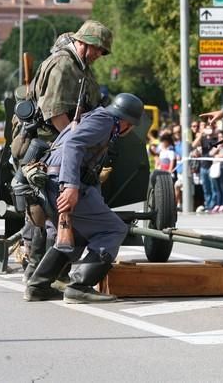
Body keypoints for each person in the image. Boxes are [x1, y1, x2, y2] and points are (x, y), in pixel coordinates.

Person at [24, 93, 144, 303]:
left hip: (51, 183)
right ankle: (80, 286)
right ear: (126, 121)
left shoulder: (94, 118)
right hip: (64, 183)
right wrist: (70, 186)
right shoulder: (105, 121)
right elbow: (73, 145)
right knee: (114, 229)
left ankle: (38, 286)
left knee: (77, 235)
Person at [19, 20, 113, 284]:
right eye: (97, 49)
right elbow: (56, 113)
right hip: (52, 145)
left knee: (56, 210)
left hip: (63, 145)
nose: (99, 55)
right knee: (47, 210)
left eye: (102, 52)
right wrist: (76, 144)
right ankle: (38, 271)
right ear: (83, 42)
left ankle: (47, 273)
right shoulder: (64, 64)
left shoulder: (79, 66)